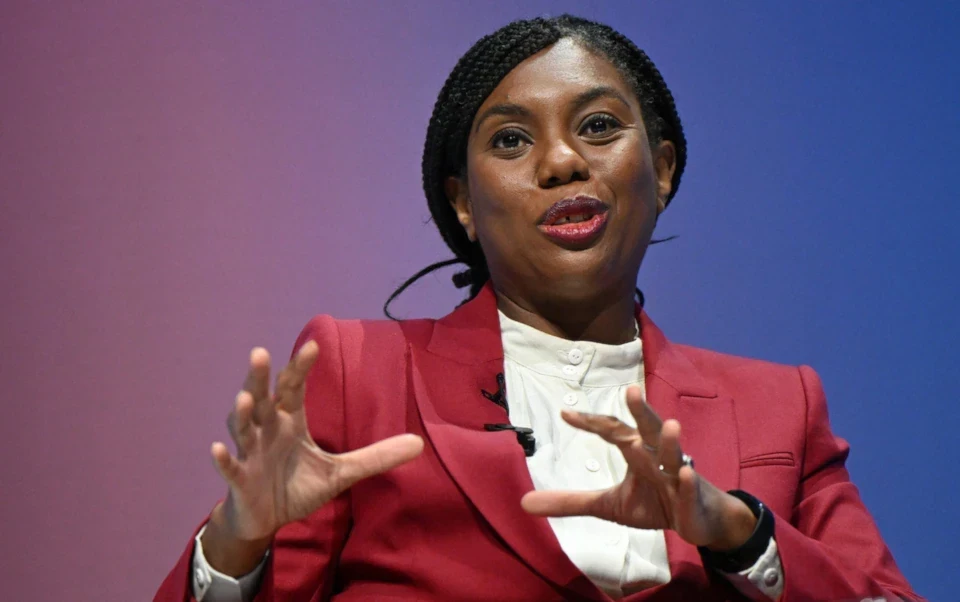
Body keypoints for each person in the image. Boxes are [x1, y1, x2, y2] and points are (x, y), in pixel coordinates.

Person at [155, 14, 922, 602]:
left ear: (660, 167)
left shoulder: (780, 405)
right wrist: (238, 539)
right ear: (461, 202)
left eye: (597, 126)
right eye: (513, 140)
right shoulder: (361, 374)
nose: (561, 162)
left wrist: (742, 537)